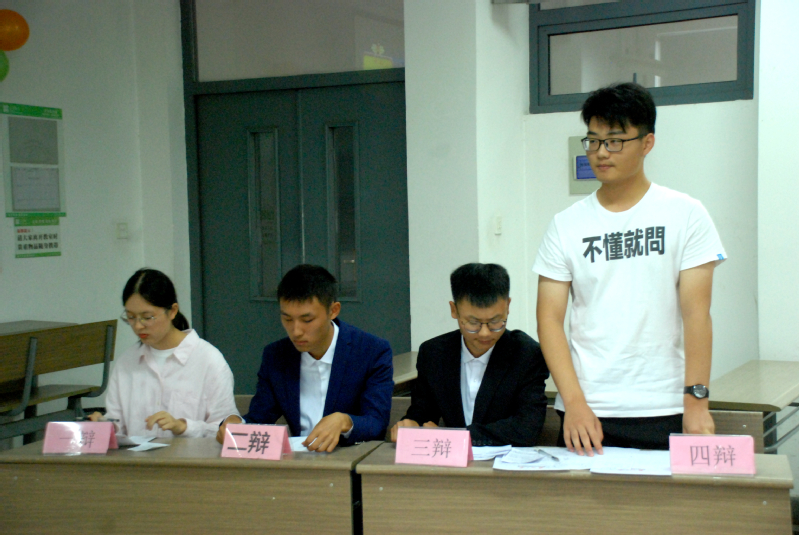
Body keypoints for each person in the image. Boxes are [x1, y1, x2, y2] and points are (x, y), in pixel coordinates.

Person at [533, 82, 727, 455]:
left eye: (615, 141)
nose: (601, 152)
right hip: (587, 411)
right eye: (593, 141)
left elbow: (697, 314)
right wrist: (573, 402)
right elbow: (549, 320)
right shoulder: (565, 225)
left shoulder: (686, 214)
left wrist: (696, 401)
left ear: (647, 143)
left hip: (663, 404)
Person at [216, 264, 393, 452]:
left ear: (333, 310)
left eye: (307, 320)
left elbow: (376, 423)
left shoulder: (371, 351)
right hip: (298, 462)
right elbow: (259, 417)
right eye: (287, 319)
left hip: (350, 459)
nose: (296, 331)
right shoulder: (276, 355)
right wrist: (236, 424)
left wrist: (345, 421)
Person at [390, 263, 549, 447]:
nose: (485, 333)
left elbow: (526, 428)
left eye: (496, 322)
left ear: (508, 306)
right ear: (454, 310)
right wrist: (410, 425)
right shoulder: (434, 354)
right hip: (450, 461)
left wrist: (457, 437)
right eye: (473, 323)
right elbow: (423, 413)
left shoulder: (527, 354)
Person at [88, 268, 239, 437]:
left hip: (191, 454)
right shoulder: (127, 362)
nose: (138, 326)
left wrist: (184, 427)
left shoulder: (208, 360)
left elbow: (225, 431)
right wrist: (105, 426)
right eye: (130, 317)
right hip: (135, 455)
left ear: (172, 311)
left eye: (147, 317)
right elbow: (118, 423)